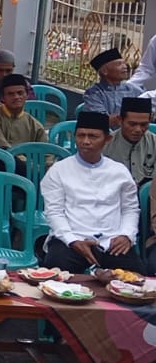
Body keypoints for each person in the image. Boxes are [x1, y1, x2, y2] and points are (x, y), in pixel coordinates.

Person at [39, 110, 142, 275]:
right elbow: (54, 212)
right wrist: (72, 240)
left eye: (93, 136)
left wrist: (126, 235)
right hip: (72, 240)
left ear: (107, 139)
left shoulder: (119, 172)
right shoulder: (59, 170)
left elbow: (130, 209)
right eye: (81, 135)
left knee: (134, 280)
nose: (85, 141)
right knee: (56, 275)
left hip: (111, 241)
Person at [0, 74, 48, 150]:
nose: (16, 97)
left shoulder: (35, 125)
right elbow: (0, 147)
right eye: (10, 94)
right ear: (2, 97)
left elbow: (46, 153)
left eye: (20, 93)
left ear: (27, 95)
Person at [106, 97, 156, 186]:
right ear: (120, 120)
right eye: (132, 124)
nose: (138, 129)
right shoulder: (105, 145)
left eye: (143, 124)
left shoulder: (154, 143)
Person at [81, 48, 132, 117]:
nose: (125, 67)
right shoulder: (94, 93)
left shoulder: (133, 89)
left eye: (124, 64)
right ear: (105, 71)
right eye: (119, 64)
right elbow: (101, 120)